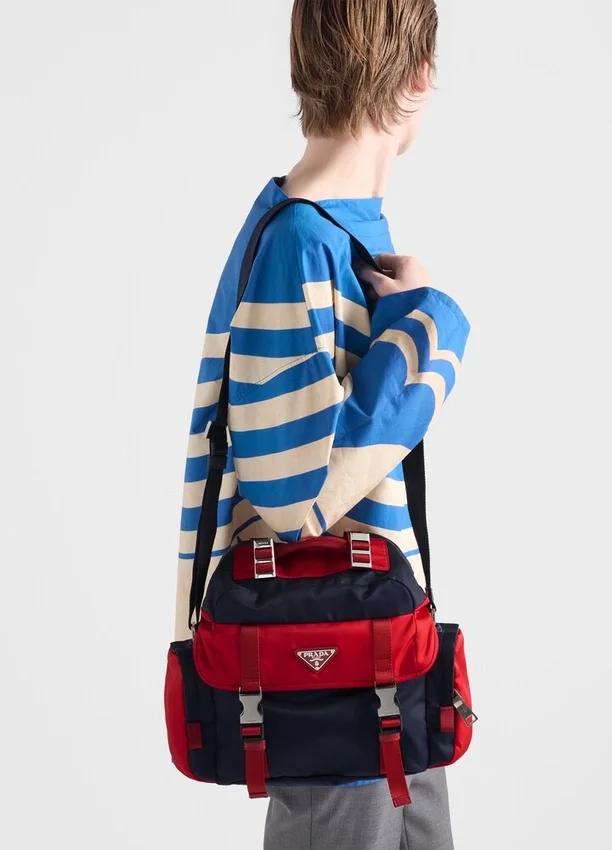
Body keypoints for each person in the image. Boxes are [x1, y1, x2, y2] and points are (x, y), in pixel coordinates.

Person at [173, 1, 470, 847]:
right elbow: (292, 498)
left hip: (384, 650)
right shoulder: (299, 242)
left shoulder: (338, 231)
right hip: (327, 673)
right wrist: (431, 329)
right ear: (420, 75)